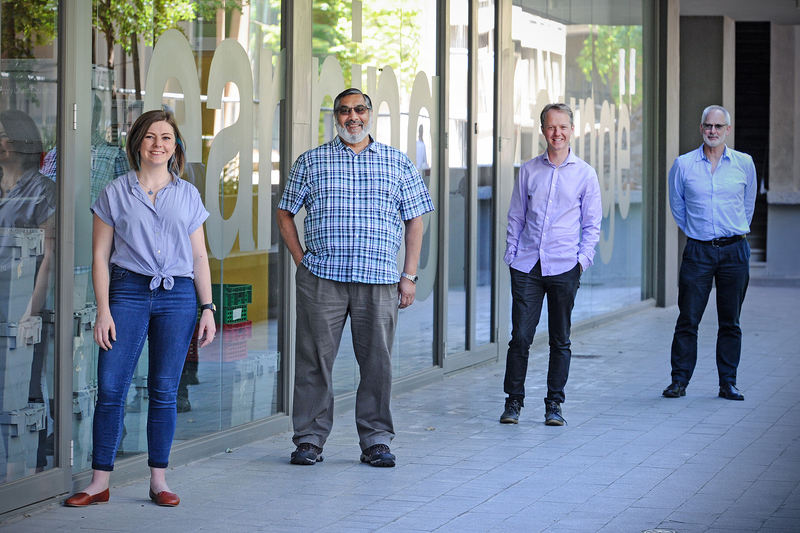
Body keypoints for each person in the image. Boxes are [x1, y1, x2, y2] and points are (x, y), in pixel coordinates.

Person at [64, 109, 216, 507]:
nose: (158, 144)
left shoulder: (187, 194)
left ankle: (159, 481)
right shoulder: (115, 192)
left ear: (175, 146)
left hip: (178, 295)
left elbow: (199, 257)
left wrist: (208, 307)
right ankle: (99, 483)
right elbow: (100, 257)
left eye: (166, 137)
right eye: (150, 136)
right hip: (128, 292)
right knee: (111, 388)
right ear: (137, 143)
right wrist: (103, 309)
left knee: (164, 390)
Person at [276, 88, 434, 467]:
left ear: (370, 114)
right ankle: (309, 440)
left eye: (359, 109)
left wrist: (408, 275)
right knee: (313, 361)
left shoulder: (397, 163)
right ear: (335, 117)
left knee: (378, 363)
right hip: (322, 278)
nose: (353, 117)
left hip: (379, 280)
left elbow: (416, 220)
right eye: (344, 111)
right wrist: (302, 262)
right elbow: (284, 213)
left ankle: (376, 440)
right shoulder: (311, 162)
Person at [500, 102, 602, 426]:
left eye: (563, 127)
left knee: (561, 339)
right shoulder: (528, 170)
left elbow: (592, 225)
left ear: (572, 130)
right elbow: (516, 216)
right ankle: (513, 401)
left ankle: (554, 404)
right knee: (520, 338)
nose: (556, 133)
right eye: (550, 127)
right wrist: (512, 256)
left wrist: (581, 262)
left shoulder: (585, 174)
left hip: (564, 267)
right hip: (528, 266)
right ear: (543, 130)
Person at [663, 105, 756, 401]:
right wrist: (698, 231)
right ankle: (679, 381)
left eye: (718, 126)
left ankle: (728, 382)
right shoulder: (683, 164)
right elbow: (678, 207)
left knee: (730, 321)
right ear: (701, 128)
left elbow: (748, 204)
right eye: (708, 126)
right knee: (688, 319)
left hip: (735, 251)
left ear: (727, 130)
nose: (713, 131)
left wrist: (733, 229)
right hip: (699, 251)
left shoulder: (744, 163)